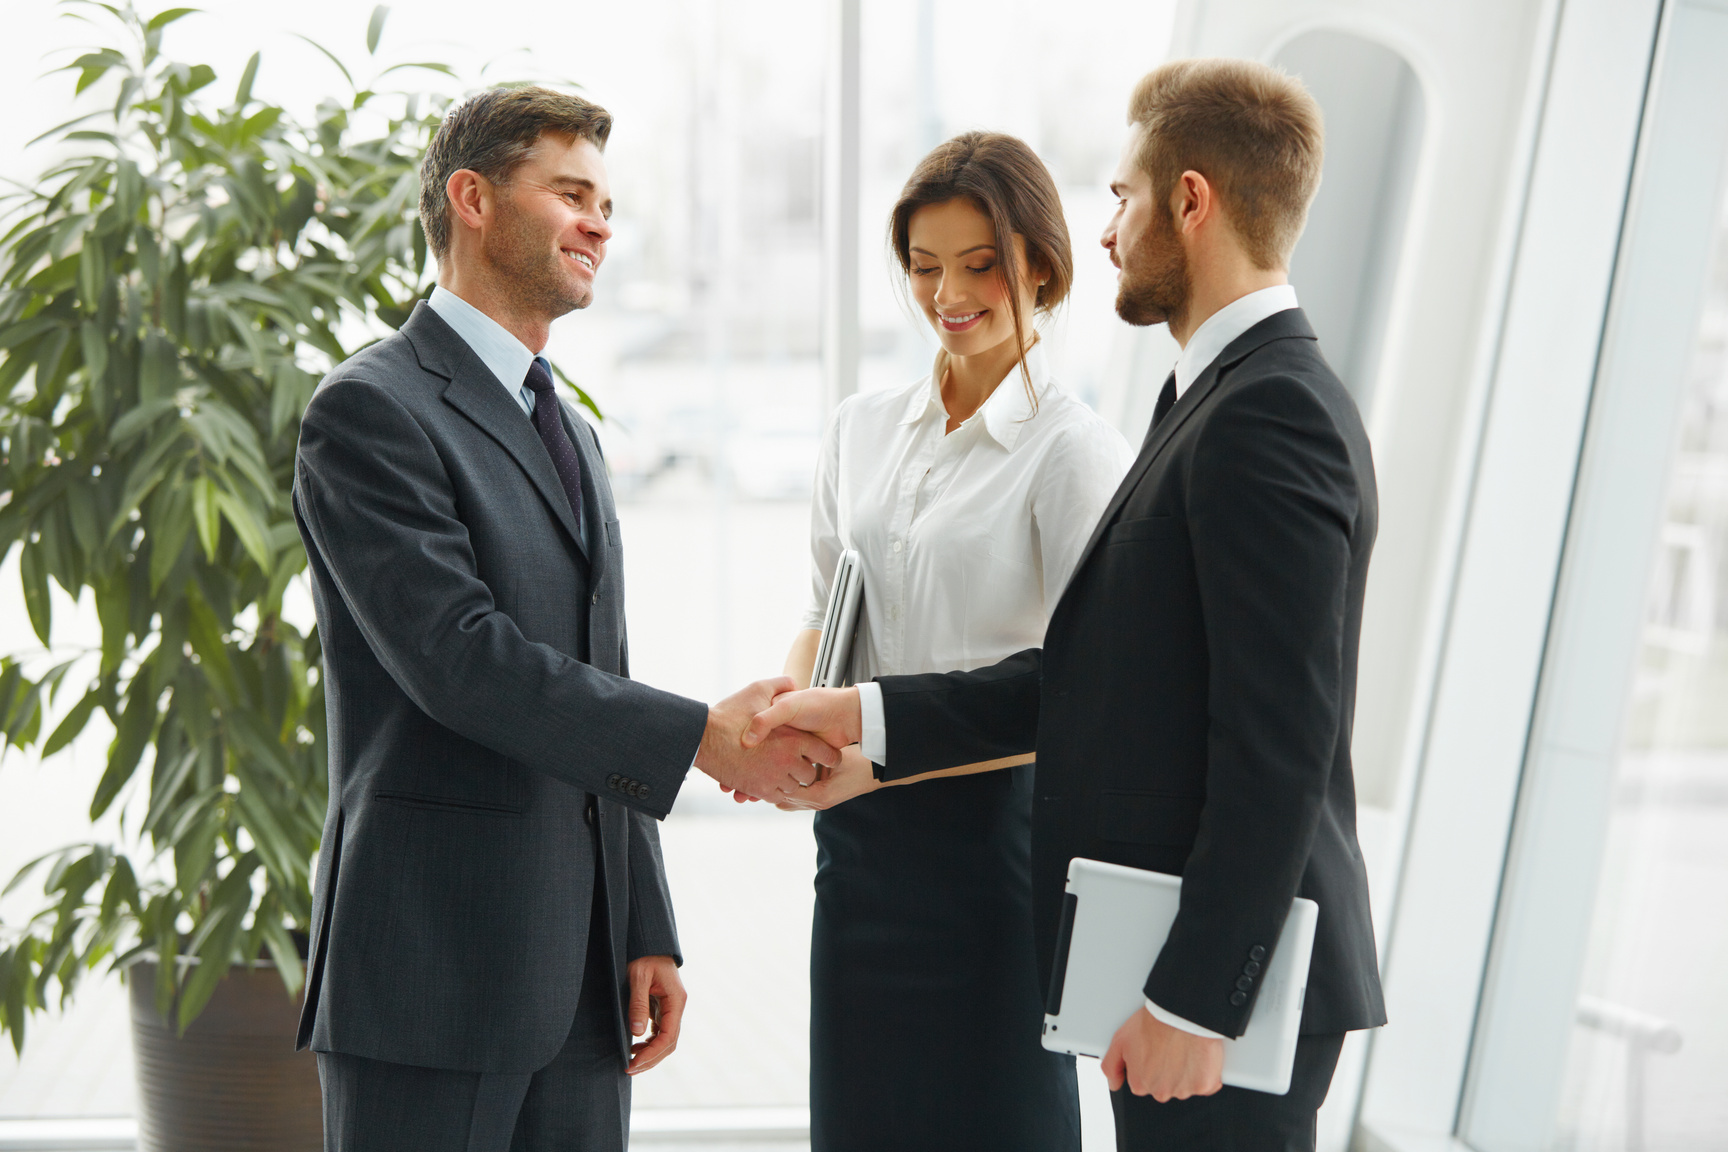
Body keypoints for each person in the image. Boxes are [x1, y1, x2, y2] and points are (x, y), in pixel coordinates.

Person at [748, 58, 1387, 1151]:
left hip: (1211, 985)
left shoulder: (1267, 412)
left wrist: (1197, 999)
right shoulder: (1213, 399)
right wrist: (858, 717)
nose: (1109, 231)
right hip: (1156, 958)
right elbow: (1095, 681)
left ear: (1190, 201)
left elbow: (1279, 746)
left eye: (1124, 197)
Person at [291, 86, 837, 1152]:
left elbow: (601, 668)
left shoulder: (569, 431)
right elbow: (460, 659)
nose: (601, 223)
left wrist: (645, 924)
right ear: (473, 199)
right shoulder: (369, 412)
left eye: (608, 202)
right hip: (433, 979)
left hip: (583, 981)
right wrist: (702, 737)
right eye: (572, 193)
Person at [775, 132, 1132, 1152]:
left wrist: (864, 760)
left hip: (992, 855)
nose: (948, 293)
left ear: (1042, 268)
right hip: (857, 853)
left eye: (979, 264)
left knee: (997, 1124)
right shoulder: (861, 427)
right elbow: (820, 609)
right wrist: (795, 724)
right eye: (925, 267)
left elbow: (1081, 693)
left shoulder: (1073, 452)